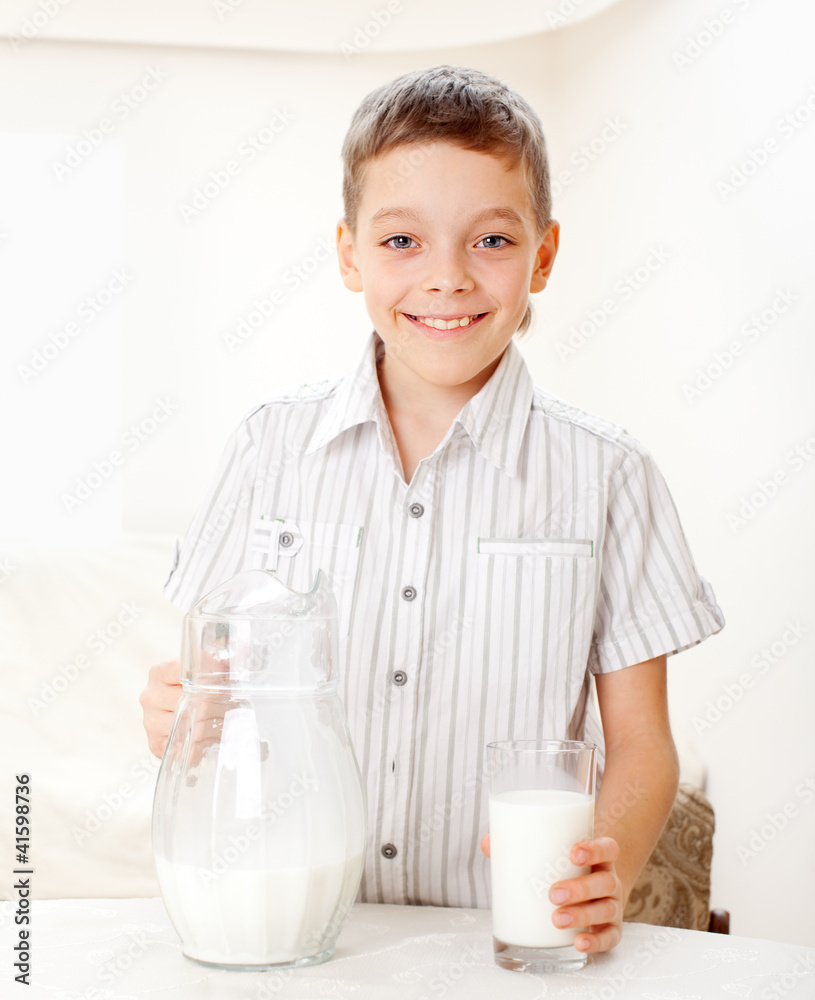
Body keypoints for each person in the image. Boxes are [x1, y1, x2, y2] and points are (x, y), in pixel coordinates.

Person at [140, 64, 724, 955]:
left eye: (489, 241)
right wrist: (177, 713)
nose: (445, 279)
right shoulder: (268, 450)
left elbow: (643, 745)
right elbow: (209, 693)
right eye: (402, 241)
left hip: (503, 941)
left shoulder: (609, 475)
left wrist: (605, 862)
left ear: (544, 253)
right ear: (348, 254)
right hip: (294, 930)